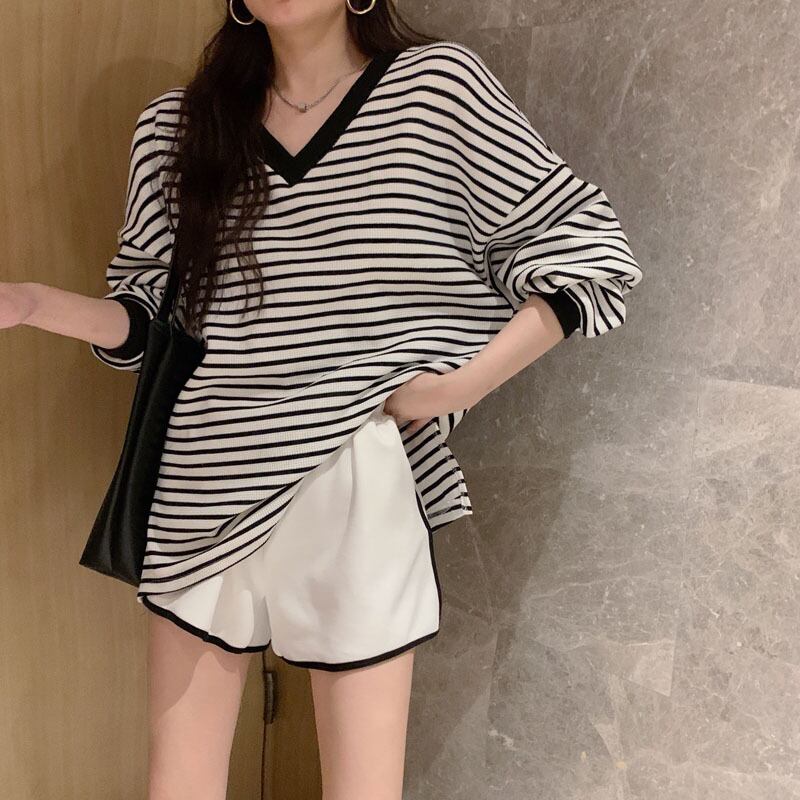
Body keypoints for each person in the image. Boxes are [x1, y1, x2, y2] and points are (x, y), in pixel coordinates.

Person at [0, 1, 644, 798]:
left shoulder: (435, 90)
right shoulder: (177, 128)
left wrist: (458, 385)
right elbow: (152, 326)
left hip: (353, 473)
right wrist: (31, 304)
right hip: (203, 477)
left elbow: (585, 253)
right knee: (178, 785)